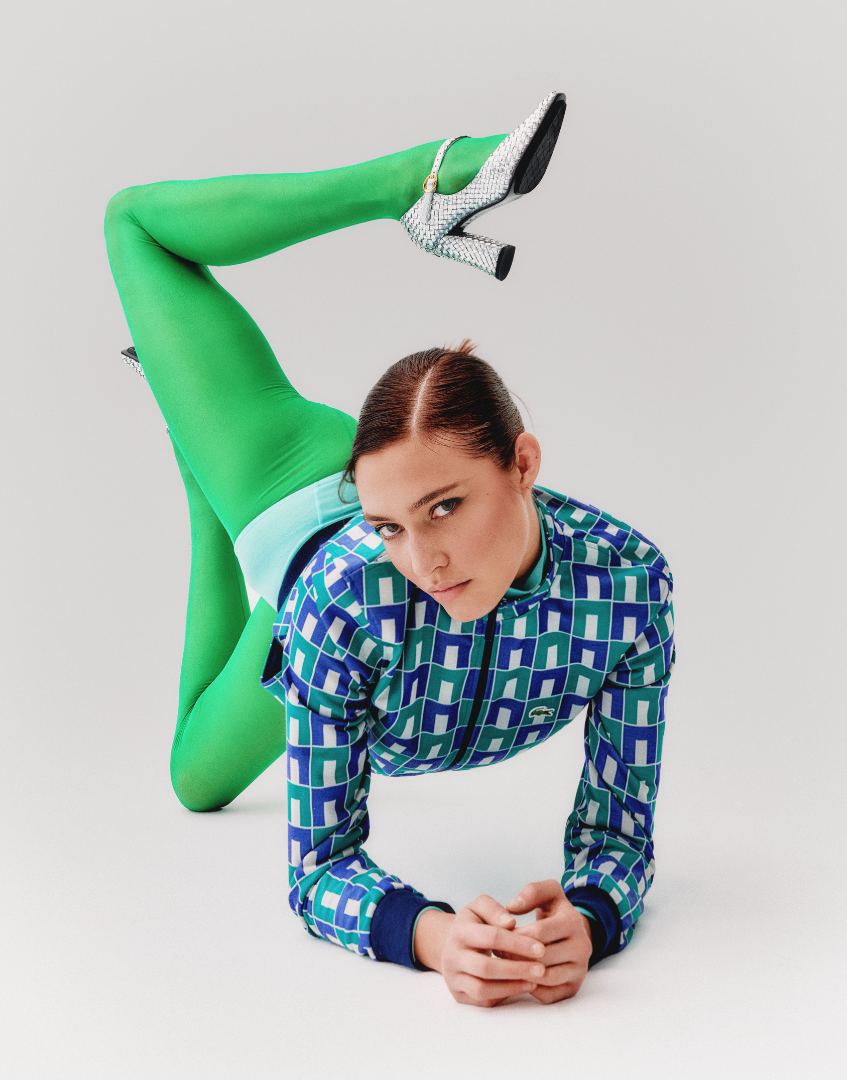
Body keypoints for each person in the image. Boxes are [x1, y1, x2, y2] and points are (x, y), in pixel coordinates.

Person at [104, 92, 674, 1008]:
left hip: (368, 472)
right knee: (128, 221)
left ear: (524, 464)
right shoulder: (344, 594)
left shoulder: (629, 586)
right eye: (398, 531)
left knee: (195, 780)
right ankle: (408, 180)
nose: (427, 561)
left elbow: (621, 832)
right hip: (295, 482)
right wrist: (432, 935)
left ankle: (187, 423)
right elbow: (319, 864)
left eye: (450, 510)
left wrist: (596, 916)